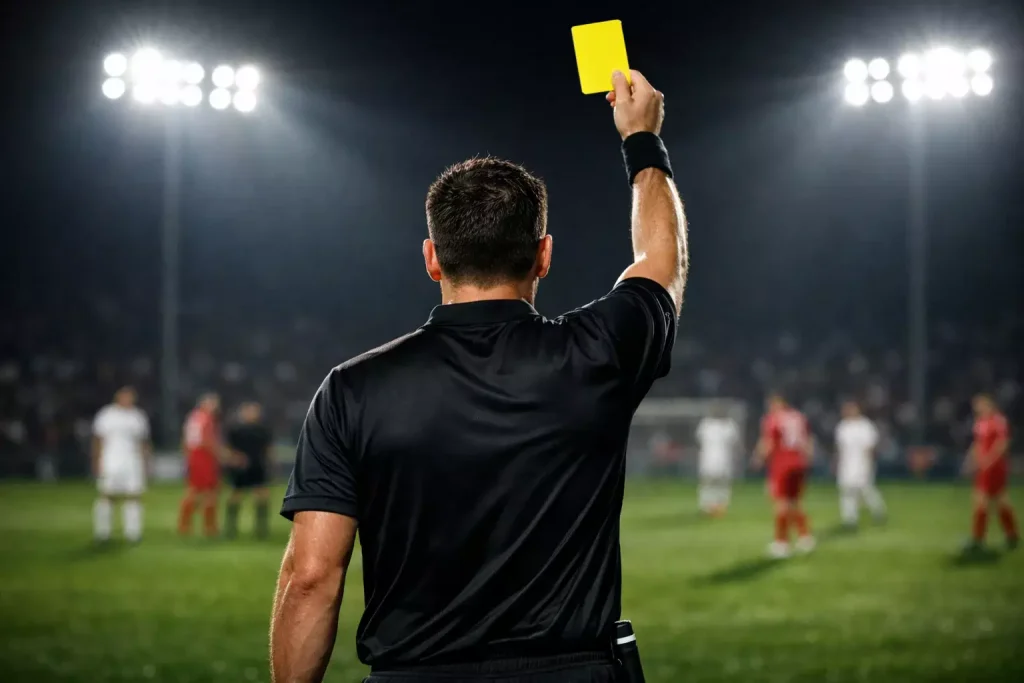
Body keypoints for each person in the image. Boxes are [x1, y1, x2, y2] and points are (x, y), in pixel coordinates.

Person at [271, 69, 684, 683]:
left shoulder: (351, 390)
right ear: (543, 254)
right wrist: (641, 139)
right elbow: (660, 262)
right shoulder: (596, 354)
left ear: (432, 258)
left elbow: (311, 578)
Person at [753, 393, 815, 558]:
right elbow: (808, 441)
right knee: (795, 502)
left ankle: (782, 543)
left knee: (781, 503)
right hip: (799, 463)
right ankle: (805, 538)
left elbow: (769, 442)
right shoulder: (799, 417)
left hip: (782, 463)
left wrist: (758, 459)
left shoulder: (773, 418)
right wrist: (808, 460)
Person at [91, 386, 151, 543]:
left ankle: (133, 533)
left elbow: (144, 442)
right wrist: (96, 460)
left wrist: (146, 462)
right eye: (125, 396)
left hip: (132, 460)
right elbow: (98, 440)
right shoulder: (106, 415)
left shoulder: (138, 416)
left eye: (130, 397)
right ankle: (102, 533)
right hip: (111, 459)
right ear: (118, 398)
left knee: (134, 496)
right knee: (106, 496)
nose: (128, 400)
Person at [964, 394, 1018, 551]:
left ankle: (979, 539)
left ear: (989, 404)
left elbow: (1002, 443)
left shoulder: (998, 420)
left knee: (990, 501)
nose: (977, 407)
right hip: (983, 468)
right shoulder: (980, 422)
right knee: (995, 501)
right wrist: (970, 462)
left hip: (995, 468)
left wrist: (989, 460)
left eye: (980, 404)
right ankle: (1010, 535)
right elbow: (977, 444)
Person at [224, 402, 274, 539]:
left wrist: (271, 463)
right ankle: (230, 529)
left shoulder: (263, 430)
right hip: (240, 468)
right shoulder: (236, 430)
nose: (252, 414)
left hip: (258, 466)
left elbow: (269, 449)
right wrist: (233, 458)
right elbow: (228, 448)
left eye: (254, 411)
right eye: (249, 411)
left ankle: (261, 530)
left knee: (262, 498)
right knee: (235, 497)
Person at [834, 400, 886, 528]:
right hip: (846, 463)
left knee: (866, 489)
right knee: (847, 491)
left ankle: (878, 511)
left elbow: (870, 446)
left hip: (862, 462)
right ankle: (850, 519)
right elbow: (840, 447)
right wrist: (837, 462)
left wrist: (868, 463)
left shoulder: (865, 426)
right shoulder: (842, 427)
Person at [178, 393, 222, 537]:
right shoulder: (206, 419)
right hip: (203, 457)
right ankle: (209, 527)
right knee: (208, 492)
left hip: (194, 456)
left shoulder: (193, 417)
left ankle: (185, 525)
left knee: (195, 491)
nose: (215, 406)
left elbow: (185, 440)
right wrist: (221, 454)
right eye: (212, 403)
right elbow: (206, 440)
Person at [694, 403, 741, 516]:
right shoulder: (729, 425)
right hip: (722, 460)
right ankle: (718, 507)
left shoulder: (705, 425)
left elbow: (698, 440)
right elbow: (734, 443)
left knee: (709, 485)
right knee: (720, 485)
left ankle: (708, 507)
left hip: (708, 460)